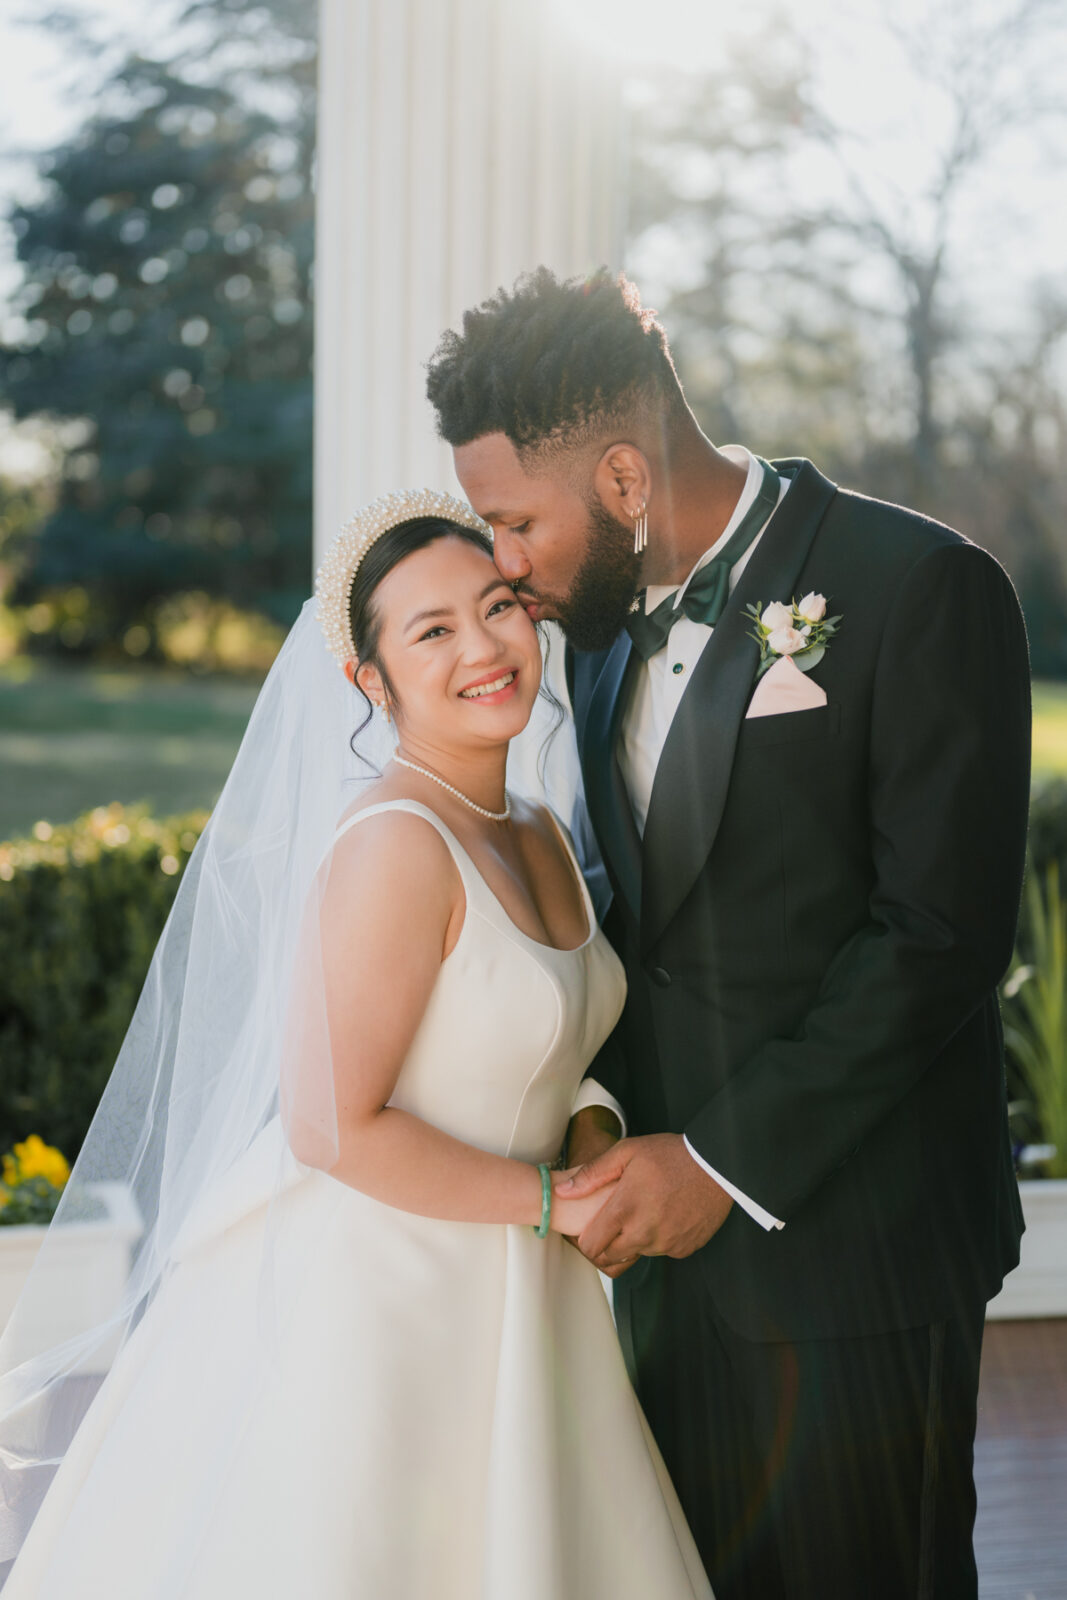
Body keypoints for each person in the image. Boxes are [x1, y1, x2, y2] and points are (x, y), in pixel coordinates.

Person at [426, 268, 1032, 1600]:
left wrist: (715, 1163)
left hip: (852, 1255)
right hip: (653, 1263)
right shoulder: (585, 636)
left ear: (624, 480)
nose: (501, 564)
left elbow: (934, 937)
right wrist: (596, 1112)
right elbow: (622, 917)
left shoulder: (920, 586)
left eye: (513, 521)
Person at [0, 491, 713, 1599]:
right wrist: (547, 1201)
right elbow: (332, 1123)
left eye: (498, 606)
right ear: (368, 682)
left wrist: (586, 1127)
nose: (483, 646)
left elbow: (542, 1041)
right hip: (386, 1297)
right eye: (431, 631)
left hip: (527, 1288)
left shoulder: (531, 826)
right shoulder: (395, 844)